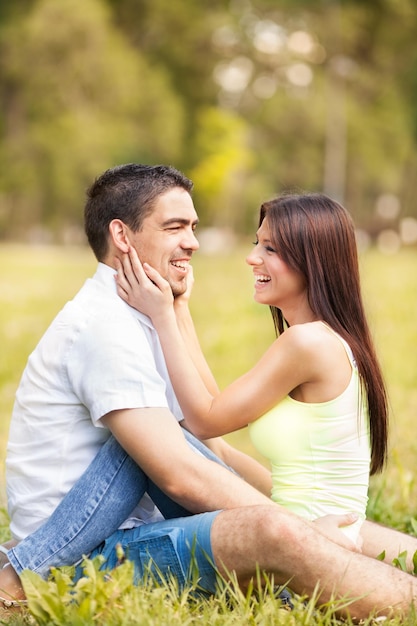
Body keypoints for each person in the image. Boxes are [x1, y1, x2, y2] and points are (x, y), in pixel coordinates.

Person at [1, 164, 417, 622]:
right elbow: (180, 470)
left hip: (143, 527)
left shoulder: (141, 318)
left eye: (193, 227)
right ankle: (24, 572)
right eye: (175, 226)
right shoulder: (104, 328)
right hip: (86, 555)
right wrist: (300, 527)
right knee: (274, 529)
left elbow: (203, 440)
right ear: (122, 236)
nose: (194, 242)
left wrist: (175, 312)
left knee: (326, 529)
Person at [114, 192, 387, 544]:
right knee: (164, 442)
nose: (251, 257)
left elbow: (203, 419)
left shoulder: (308, 344)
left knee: (137, 442)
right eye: (257, 243)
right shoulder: (326, 339)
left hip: (303, 555)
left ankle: (38, 561)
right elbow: (215, 423)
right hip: (307, 541)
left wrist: (162, 315)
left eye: (270, 249)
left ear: (313, 261)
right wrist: (180, 310)